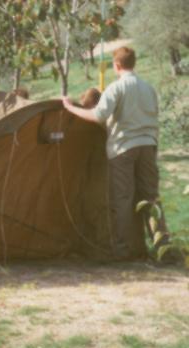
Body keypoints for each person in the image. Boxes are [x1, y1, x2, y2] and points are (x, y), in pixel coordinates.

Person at [62, 47, 170, 260]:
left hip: (123, 148)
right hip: (148, 146)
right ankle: (162, 247)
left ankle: (124, 250)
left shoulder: (116, 88)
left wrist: (70, 108)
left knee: (123, 198)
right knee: (150, 198)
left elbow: (99, 115)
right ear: (134, 63)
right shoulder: (148, 88)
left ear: (117, 65)